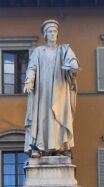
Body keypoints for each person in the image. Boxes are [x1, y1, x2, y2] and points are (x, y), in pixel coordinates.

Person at [24, 19, 80, 158]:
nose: (53, 34)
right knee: (42, 117)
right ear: (45, 35)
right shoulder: (38, 51)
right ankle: (39, 147)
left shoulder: (64, 49)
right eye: (50, 31)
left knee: (59, 118)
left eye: (55, 31)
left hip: (60, 90)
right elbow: (31, 68)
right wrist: (29, 81)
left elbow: (72, 61)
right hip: (42, 91)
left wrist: (73, 67)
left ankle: (61, 147)